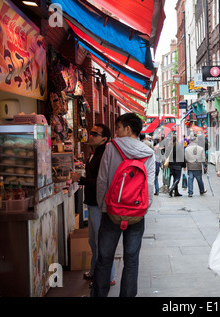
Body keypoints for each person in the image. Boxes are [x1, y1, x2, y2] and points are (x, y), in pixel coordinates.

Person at [91, 113, 155, 297]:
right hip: (136, 215)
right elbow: (149, 187)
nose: (116, 132)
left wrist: (103, 205)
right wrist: (142, 209)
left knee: (104, 259)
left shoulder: (111, 148)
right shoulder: (148, 153)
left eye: (118, 128)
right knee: (131, 260)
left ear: (128, 128)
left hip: (111, 212)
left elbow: (102, 180)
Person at [70, 124, 115, 287]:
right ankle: (96, 272)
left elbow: (103, 182)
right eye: (91, 133)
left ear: (104, 139)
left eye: (95, 134)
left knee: (101, 241)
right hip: (92, 202)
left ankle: (108, 277)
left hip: (99, 203)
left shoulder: (104, 155)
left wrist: (80, 180)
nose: (91, 135)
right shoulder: (94, 153)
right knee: (93, 241)